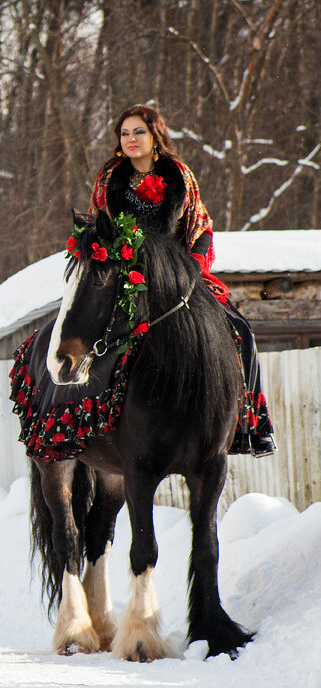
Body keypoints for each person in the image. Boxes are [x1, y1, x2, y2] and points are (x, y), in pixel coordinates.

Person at [89, 104, 275, 456]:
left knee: (241, 332)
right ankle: (86, 422)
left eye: (138, 132)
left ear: (155, 135)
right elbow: (98, 229)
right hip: (126, 278)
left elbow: (202, 226)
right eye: (124, 133)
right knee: (85, 331)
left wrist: (194, 264)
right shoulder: (108, 179)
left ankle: (251, 423)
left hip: (178, 277)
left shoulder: (179, 175)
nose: (131, 139)